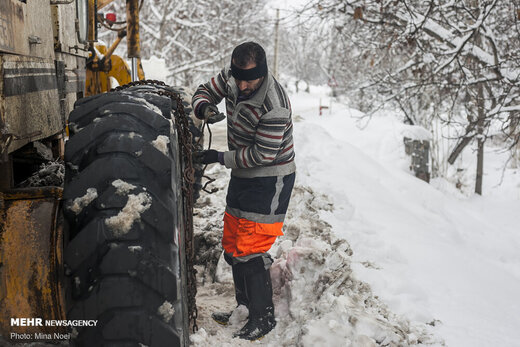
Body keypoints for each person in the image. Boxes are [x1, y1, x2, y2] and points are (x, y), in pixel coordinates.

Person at [192, 41, 295, 340]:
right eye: (238, 78)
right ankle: (244, 308)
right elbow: (204, 90)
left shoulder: (274, 105)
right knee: (233, 242)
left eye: (249, 78)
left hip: (270, 178)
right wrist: (205, 107)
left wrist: (219, 157)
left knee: (250, 248)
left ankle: (263, 318)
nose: (242, 84)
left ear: (261, 73)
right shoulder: (233, 77)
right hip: (243, 174)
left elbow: (262, 155)